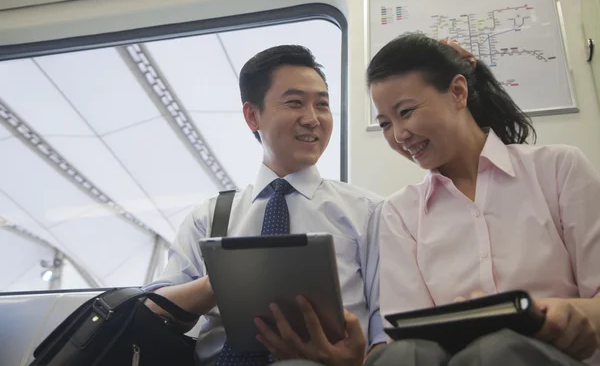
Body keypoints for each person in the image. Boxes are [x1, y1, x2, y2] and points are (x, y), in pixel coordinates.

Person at [143, 45, 386, 366]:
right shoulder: (211, 216)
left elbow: (386, 325)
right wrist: (222, 281)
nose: (313, 119)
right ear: (252, 115)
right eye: (295, 103)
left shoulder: (367, 211)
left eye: (323, 105)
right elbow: (154, 307)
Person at [366, 33, 600, 365]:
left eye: (406, 112)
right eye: (386, 123)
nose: (399, 135)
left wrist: (566, 312)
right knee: (402, 355)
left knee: (496, 351)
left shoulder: (558, 169)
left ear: (458, 92)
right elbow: (410, 334)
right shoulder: (400, 212)